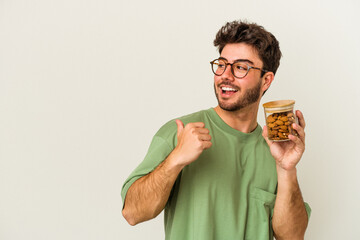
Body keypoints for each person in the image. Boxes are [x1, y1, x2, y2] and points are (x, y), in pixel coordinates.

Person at [121, 20, 311, 240]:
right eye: (221, 64)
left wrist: (287, 169)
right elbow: (132, 213)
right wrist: (175, 160)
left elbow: (292, 236)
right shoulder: (179, 134)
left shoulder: (275, 148)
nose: (225, 75)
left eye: (240, 67)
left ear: (266, 80)